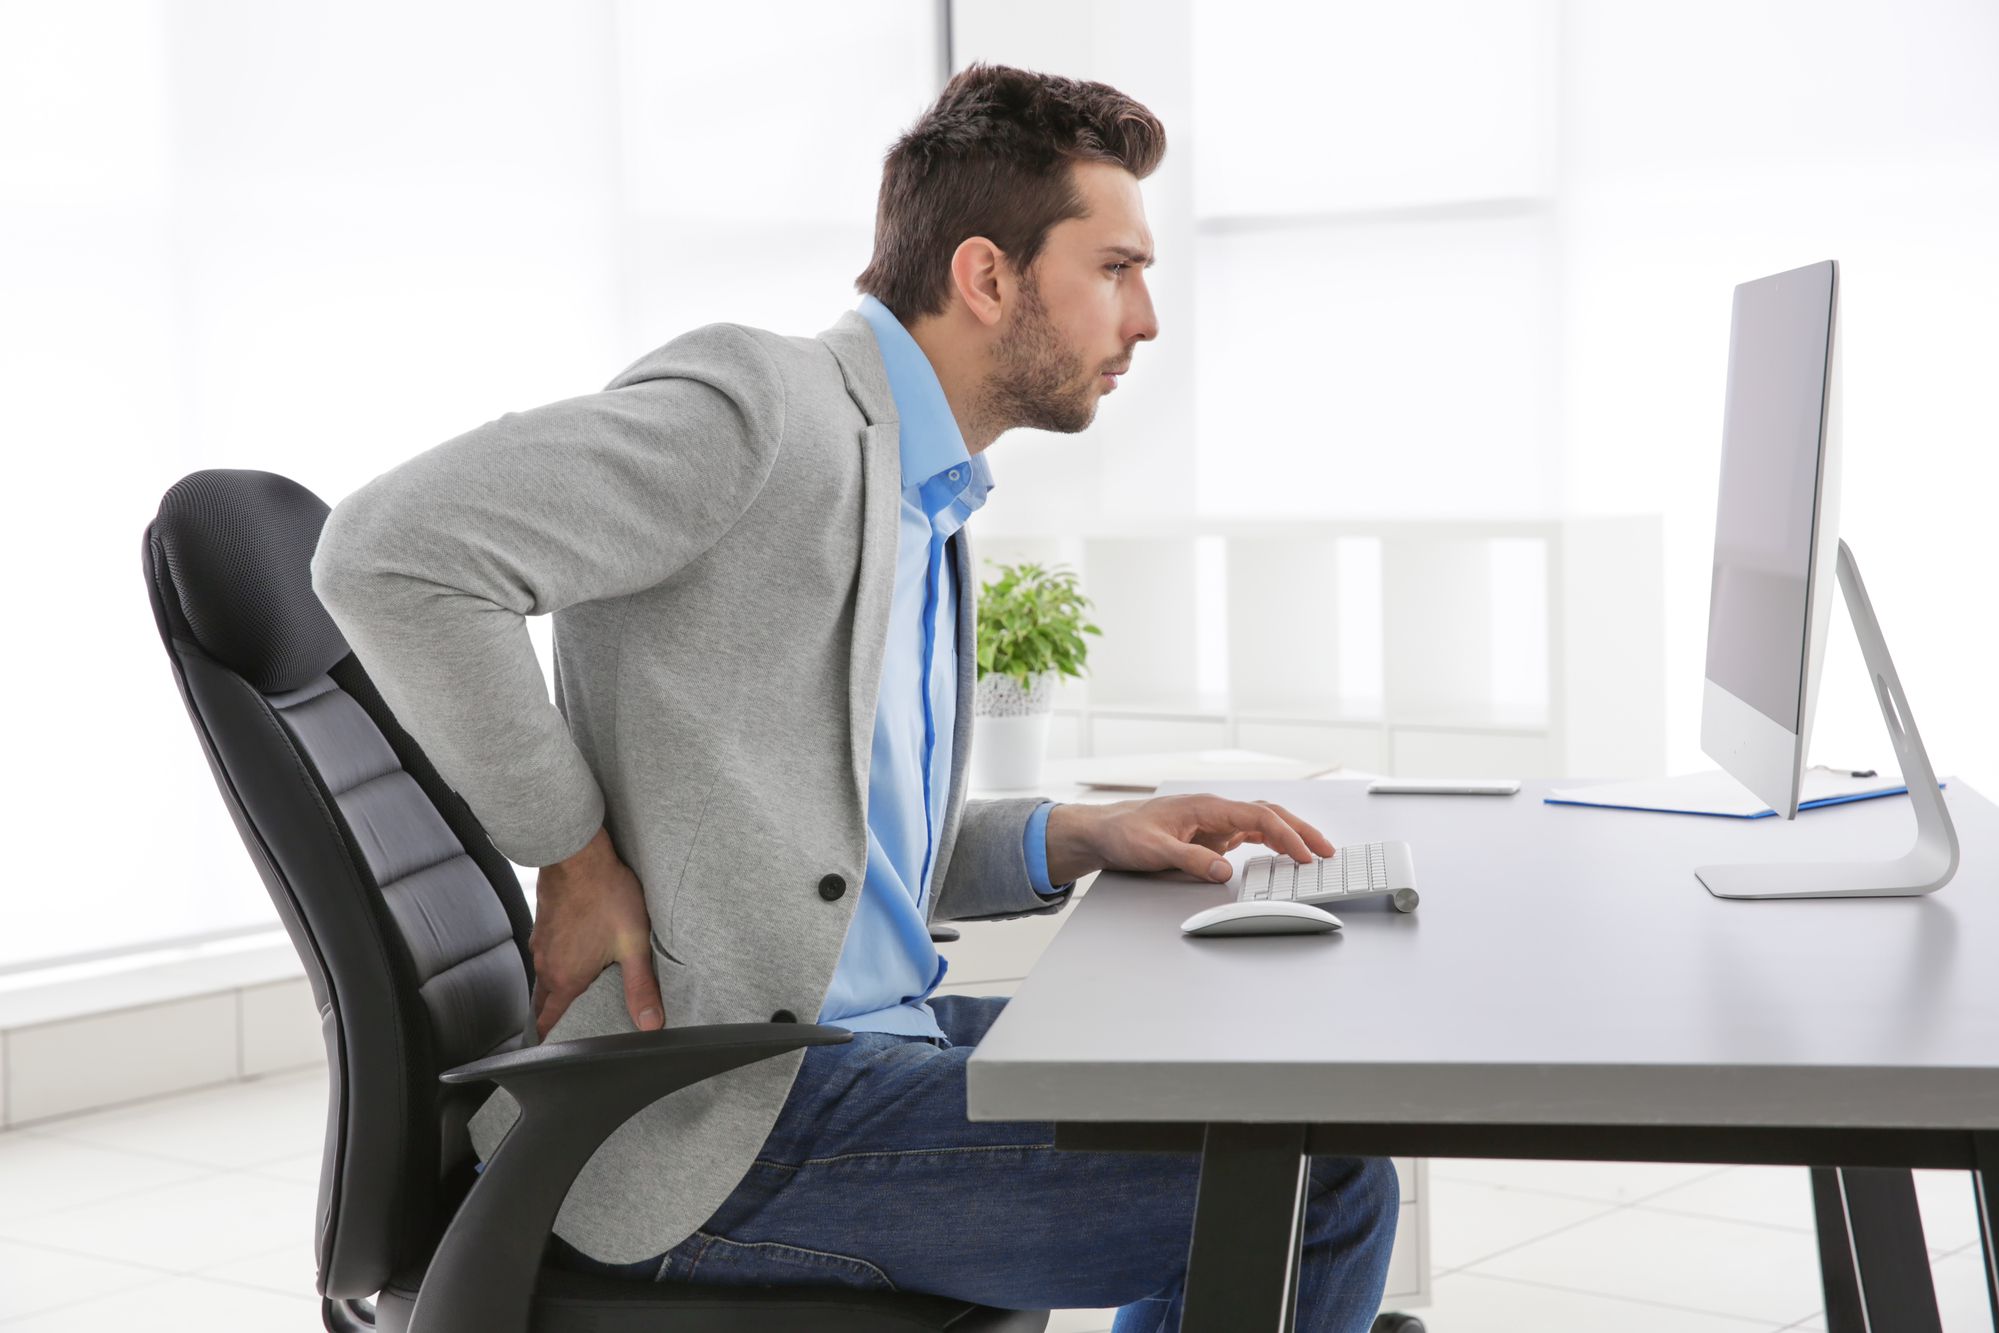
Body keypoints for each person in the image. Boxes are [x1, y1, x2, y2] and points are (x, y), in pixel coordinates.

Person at [310, 61, 1397, 1332]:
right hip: (729, 1116)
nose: (1145, 319)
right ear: (987, 277)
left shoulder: (922, 490)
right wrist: (568, 846)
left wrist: (1076, 836)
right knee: (1318, 1178)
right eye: (1114, 269)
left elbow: (826, 854)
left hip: (864, 1048)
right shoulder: (762, 411)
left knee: (1283, 1085)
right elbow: (386, 551)